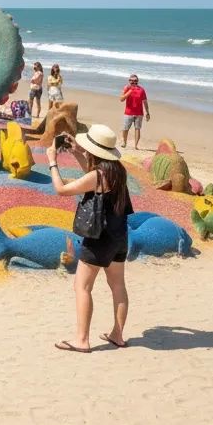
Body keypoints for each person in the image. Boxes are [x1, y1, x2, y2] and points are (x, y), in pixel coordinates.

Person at [46, 124, 132, 353]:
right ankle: (118, 334)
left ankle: (81, 340)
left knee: (82, 287)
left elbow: (62, 189)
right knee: (117, 285)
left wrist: (52, 161)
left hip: (99, 238)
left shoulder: (98, 175)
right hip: (120, 235)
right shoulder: (117, 171)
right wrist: (76, 152)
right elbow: (93, 177)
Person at [119, 74, 150, 149]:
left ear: (137, 81)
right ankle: (124, 142)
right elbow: (121, 99)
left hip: (139, 113)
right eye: (132, 81)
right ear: (129, 81)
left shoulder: (141, 90)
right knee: (125, 128)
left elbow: (145, 102)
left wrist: (147, 112)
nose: (133, 82)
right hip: (128, 112)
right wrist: (129, 92)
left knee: (137, 129)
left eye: (135, 81)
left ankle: (136, 145)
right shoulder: (126, 88)